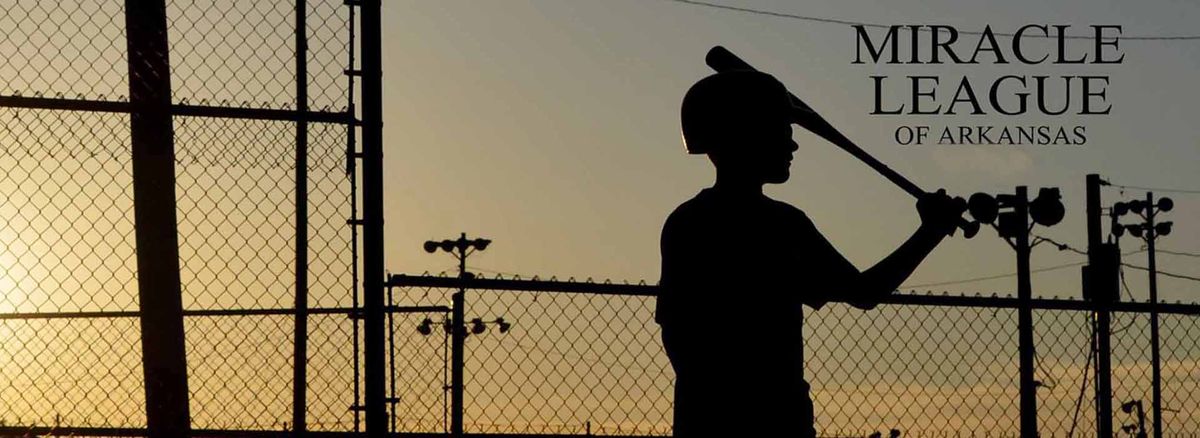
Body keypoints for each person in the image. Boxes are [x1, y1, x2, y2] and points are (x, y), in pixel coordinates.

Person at [656, 70, 966, 437]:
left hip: (713, 418)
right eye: (781, 132)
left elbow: (678, 337)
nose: (792, 146)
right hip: (772, 419)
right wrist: (930, 232)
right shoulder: (782, 226)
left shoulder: (689, 222)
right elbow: (865, 292)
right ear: (746, 135)